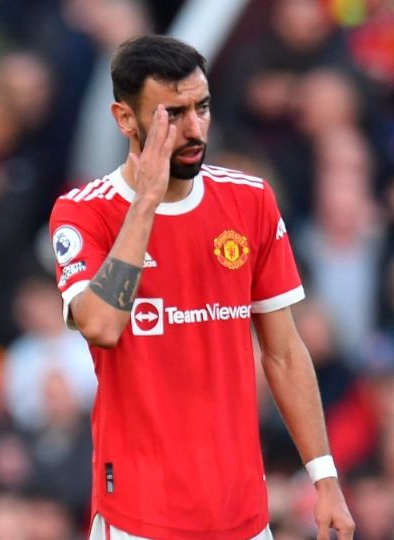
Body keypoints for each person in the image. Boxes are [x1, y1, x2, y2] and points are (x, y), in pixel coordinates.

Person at [49, 35, 355, 540]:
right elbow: (100, 325)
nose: (194, 129)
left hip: (243, 515)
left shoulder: (249, 200)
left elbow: (283, 352)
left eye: (203, 107)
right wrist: (145, 200)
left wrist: (324, 477)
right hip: (140, 517)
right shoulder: (85, 211)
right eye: (174, 114)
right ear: (126, 119)